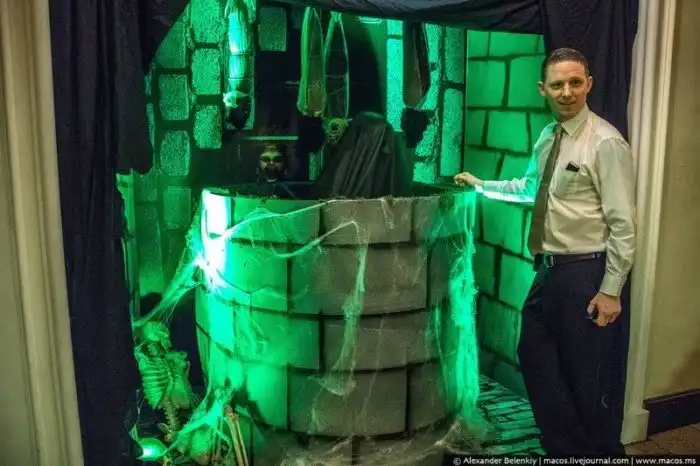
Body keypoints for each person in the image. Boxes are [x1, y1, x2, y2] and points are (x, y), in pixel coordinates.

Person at [455, 48, 635, 456]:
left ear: (589, 84)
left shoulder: (606, 142)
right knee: (535, 357)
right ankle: (565, 450)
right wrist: (482, 185)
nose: (566, 91)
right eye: (557, 84)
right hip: (549, 272)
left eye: (575, 82)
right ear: (543, 89)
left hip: (585, 272)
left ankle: (598, 454)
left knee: (584, 380)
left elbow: (624, 224)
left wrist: (611, 290)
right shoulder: (548, 136)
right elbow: (528, 189)